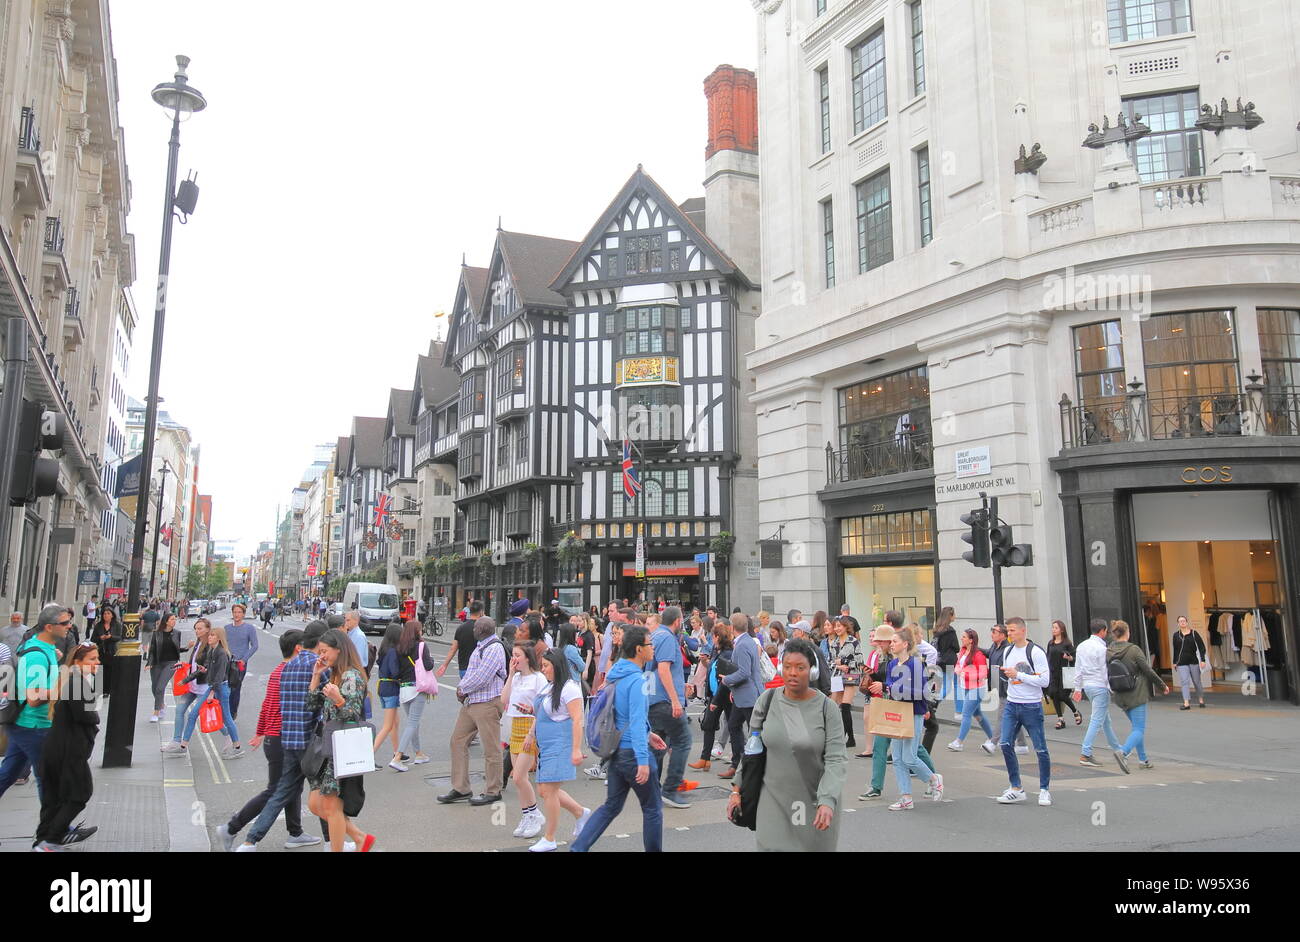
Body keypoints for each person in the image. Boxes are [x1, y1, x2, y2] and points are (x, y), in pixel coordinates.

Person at [726, 638, 847, 849]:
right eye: (788, 667)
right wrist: (736, 791)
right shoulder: (767, 700)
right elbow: (752, 751)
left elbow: (836, 759)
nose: (793, 672)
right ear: (781, 668)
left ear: (812, 671)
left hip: (814, 803)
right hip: (772, 801)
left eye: (800, 667)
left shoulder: (828, 709)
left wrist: (827, 800)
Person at [218, 630, 321, 850]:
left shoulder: (278, 670)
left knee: (292, 786)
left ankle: (295, 832)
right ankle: (231, 828)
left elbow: (267, 704)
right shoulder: (293, 670)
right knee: (276, 790)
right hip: (282, 736)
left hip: (274, 737)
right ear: (298, 648)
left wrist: (260, 732)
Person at [569, 626, 669, 853]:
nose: (652, 648)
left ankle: (578, 848)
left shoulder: (616, 674)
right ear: (638, 649)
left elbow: (620, 715)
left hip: (616, 753)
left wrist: (648, 733)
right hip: (633, 753)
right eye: (649, 644)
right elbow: (634, 719)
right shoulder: (636, 680)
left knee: (611, 806)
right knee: (652, 809)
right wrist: (643, 759)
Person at [305, 629, 376, 853]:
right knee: (316, 804)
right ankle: (359, 837)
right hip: (330, 749)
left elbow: (353, 717)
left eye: (324, 651)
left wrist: (338, 700)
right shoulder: (336, 674)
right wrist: (316, 675)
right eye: (320, 652)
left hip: (342, 750)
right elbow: (311, 704)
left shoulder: (351, 676)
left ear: (339, 649)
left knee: (331, 807)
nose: (322, 655)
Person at [32, 641, 101, 851]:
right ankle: (52, 840)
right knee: (80, 794)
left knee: (54, 799)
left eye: (97, 658)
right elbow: (88, 715)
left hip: (56, 748)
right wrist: (95, 715)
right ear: (78, 662)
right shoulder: (77, 683)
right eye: (91, 659)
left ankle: (42, 842)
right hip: (69, 751)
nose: (97, 663)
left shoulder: (70, 680)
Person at [517, 649, 589, 852]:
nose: (543, 669)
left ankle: (550, 838)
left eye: (546, 666)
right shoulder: (551, 687)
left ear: (557, 666)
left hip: (560, 745)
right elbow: (543, 713)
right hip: (546, 745)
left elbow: (578, 719)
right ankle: (580, 812)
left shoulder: (570, 688)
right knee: (546, 790)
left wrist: (576, 749)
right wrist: (531, 730)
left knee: (548, 791)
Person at [0, 605, 71, 800]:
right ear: (49, 627)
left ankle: (58, 827)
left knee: (8, 774)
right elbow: (33, 697)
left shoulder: (46, 649)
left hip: (27, 723)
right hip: (33, 725)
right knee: (47, 778)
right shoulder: (37, 655)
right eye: (64, 623)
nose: (69, 626)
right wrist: (63, 689)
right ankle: (57, 829)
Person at [438, 617, 507, 806]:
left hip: (487, 703)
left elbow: (483, 677)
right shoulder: (481, 646)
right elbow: (471, 672)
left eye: (475, 627)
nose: (473, 629)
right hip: (472, 702)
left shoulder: (494, 647)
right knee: (458, 741)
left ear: (481, 630)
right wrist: (463, 688)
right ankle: (461, 788)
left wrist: (462, 688)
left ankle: (493, 790)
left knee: (491, 748)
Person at [882, 627, 944, 811]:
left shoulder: (915, 664)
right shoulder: (892, 665)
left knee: (909, 757)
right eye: (891, 642)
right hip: (897, 713)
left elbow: (921, 692)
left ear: (905, 644)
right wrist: (885, 689)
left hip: (914, 713)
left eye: (894, 641)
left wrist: (894, 689)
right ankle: (906, 797)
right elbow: (889, 687)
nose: (891, 644)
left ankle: (934, 779)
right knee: (898, 759)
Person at [995, 616, 1053, 807]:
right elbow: (1009, 677)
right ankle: (1016, 787)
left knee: (1040, 748)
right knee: (1005, 743)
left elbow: (1044, 681)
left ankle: (1044, 789)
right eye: (1008, 631)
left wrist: (1018, 674)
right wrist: (1008, 675)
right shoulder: (1008, 651)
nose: (1009, 634)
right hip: (1012, 703)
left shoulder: (1036, 652)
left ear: (1023, 631)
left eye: (1012, 630)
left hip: (1031, 705)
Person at [646, 605, 696, 806]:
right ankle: (671, 788)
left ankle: (652, 788)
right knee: (683, 740)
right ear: (677, 621)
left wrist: (680, 685)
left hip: (654, 698)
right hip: (665, 701)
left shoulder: (655, 636)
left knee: (659, 745)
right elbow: (664, 669)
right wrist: (675, 699)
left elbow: (655, 670)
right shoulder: (667, 638)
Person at [173, 625, 243, 758]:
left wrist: (211, 693)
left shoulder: (222, 653)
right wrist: (186, 680)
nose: (209, 637)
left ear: (219, 638)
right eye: (209, 635)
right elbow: (203, 669)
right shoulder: (212, 651)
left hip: (220, 688)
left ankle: (237, 747)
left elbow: (220, 676)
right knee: (193, 714)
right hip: (213, 687)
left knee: (227, 718)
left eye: (212, 635)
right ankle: (183, 746)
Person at [1108, 619, 1170, 770]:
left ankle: (1143, 760)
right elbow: (1147, 670)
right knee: (1139, 729)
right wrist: (1162, 685)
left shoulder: (1109, 650)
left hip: (1119, 694)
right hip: (1136, 693)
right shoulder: (1134, 650)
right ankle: (1123, 752)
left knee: (1136, 727)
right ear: (1127, 633)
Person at [503, 639, 547, 838]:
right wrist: (511, 675)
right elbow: (503, 701)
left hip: (531, 728)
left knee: (520, 776)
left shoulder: (538, 678)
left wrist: (532, 733)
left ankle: (535, 813)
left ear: (528, 658)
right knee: (517, 780)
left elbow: (543, 708)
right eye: (513, 655)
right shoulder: (516, 678)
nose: (514, 659)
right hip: (515, 726)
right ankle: (526, 815)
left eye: (518, 655)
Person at [1074, 617, 1128, 771]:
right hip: (1099, 686)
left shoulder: (1081, 646)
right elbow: (1105, 671)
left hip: (1088, 686)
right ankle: (1086, 753)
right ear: (1103, 631)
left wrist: (1078, 688)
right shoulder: (1102, 649)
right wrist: (1110, 688)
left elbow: (1078, 669)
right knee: (1097, 720)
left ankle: (1118, 749)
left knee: (1105, 720)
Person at [718, 611, 763, 783]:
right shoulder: (748, 641)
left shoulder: (743, 644)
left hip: (748, 695)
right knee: (734, 726)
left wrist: (726, 680)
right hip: (743, 694)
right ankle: (738, 764)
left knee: (754, 732)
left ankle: (748, 766)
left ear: (731, 627)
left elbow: (744, 672)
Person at [947, 628, 995, 751]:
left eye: (964, 637)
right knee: (978, 715)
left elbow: (984, 673)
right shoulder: (963, 651)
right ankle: (993, 738)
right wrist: (958, 670)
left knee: (966, 714)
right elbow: (959, 665)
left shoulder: (979, 655)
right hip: (966, 687)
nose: (961, 638)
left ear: (971, 640)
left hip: (977, 689)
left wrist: (966, 675)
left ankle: (959, 742)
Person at [983, 624, 1027, 754]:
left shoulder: (1007, 649)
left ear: (1002, 635)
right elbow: (989, 654)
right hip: (999, 685)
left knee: (1003, 715)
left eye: (994, 631)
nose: (992, 634)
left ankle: (993, 742)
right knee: (1012, 715)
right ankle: (1022, 744)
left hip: (1008, 686)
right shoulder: (994, 647)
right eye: (992, 631)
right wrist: (975, 649)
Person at [395, 619, 432, 767]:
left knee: (413, 722)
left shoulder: (400, 648)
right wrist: (432, 660)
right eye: (420, 629)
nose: (422, 631)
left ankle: (418, 754)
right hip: (417, 688)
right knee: (412, 723)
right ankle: (397, 757)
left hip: (404, 689)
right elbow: (428, 666)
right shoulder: (421, 646)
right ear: (417, 631)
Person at [826, 615, 863, 749]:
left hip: (851, 675)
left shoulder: (853, 641)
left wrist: (844, 663)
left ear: (846, 626)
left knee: (846, 706)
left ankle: (850, 738)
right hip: (837, 676)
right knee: (836, 706)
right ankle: (842, 736)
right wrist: (837, 665)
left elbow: (859, 661)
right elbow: (830, 662)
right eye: (835, 626)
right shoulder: (834, 643)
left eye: (839, 626)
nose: (837, 629)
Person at [372, 623, 404, 769]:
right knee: (388, 726)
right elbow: (395, 671)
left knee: (395, 722)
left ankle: (397, 752)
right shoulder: (392, 652)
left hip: (383, 687)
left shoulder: (384, 650)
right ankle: (369, 755)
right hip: (391, 688)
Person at [144, 612, 183, 723]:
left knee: (160, 687)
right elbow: (152, 650)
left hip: (171, 663)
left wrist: (187, 647)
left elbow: (177, 649)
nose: (174, 621)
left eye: (175, 619)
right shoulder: (156, 633)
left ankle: (156, 712)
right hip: (157, 663)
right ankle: (161, 704)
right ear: (166, 621)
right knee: (154, 688)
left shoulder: (177, 633)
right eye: (172, 619)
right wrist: (149, 663)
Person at [224, 604, 260, 720]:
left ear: (243, 614)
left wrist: (244, 660)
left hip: (239, 664)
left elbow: (255, 646)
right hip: (227, 662)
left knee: (235, 689)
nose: (236, 614)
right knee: (225, 688)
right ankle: (225, 712)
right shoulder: (227, 628)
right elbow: (223, 644)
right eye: (235, 612)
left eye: (239, 612)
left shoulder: (249, 628)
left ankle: (232, 713)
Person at [1046, 619, 1081, 729]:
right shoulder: (1050, 643)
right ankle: (1060, 719)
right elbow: (1048, 657)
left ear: (1061, 630)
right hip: (1053, 672)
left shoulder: (1067, 644)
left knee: (1063, 695)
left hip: (1064, 672)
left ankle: (1075, 711)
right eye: (1053, 627)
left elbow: (1075, 658)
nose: (1053, 630)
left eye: (1056, 628)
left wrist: (1069, 658)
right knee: (1054, 694)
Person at [437, 600, 485, 679]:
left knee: (464, 690)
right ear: (481, 612)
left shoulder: (461, 628)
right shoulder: (484, 628)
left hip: (464, 668)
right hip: (479, 668)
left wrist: (445, 665)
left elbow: (453, 649)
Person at [1171, 615, 1208, 710]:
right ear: (1178, 624)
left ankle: (1201, 700)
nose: (1182, 622)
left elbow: (1201, 647)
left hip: (1193, 661)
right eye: (1180, 621)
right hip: (1181, 662)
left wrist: (1203, 660)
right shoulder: (1176, 635)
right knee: (1184, 681)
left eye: (1184, 621)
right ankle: (1186, 703)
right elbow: (1175, 649)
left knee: (1197, 681)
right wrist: (1175, 662)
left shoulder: (1194, 633)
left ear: (1187, 622)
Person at [91, 607, 120, 697]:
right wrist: (100, 638)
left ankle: (107, 691)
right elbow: (93, 639)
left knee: (109, 671)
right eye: (104, 614)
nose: (106, 615)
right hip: (101, 651)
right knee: (100, 670)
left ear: (112, 615)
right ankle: (98, 690)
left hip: (112, 651)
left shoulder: (117, 625)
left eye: (108, 613)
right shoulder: (98, 625)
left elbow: (120, 637)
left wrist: (111, 637)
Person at [932, 606, 958, 702]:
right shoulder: (950, 631)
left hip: (939, 660)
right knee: (948, 686)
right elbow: (956, 647)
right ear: (950, 616)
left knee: (938, 684)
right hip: (949, 661)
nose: (955, 616)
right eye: (954, 614)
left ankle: (933, 700)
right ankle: (935, 702)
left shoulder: (937, 630)